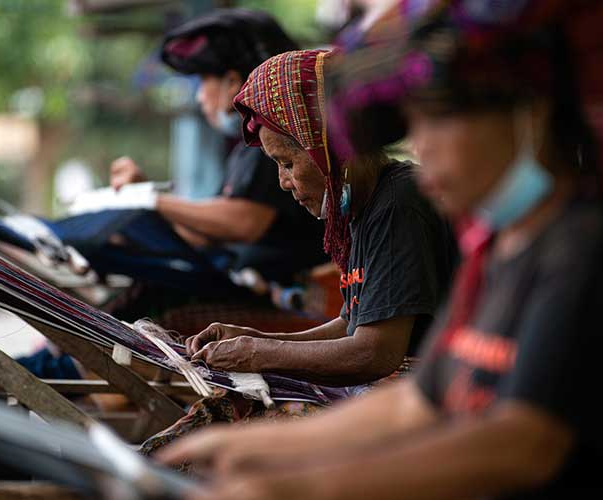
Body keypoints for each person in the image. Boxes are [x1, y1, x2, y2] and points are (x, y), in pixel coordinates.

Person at [157, 1, 603, 497]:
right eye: (415, 124)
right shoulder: (502, 248)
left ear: (530, 116)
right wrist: (256, 445)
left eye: (439, 120)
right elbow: (419, 402)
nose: (420, 146)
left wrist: (305, 483)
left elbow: (524, 443)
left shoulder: (594, 246)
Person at [139, 48, 456, 455]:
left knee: (241, 436)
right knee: (225, 410)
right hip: (396, 381)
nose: (284, 182)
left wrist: (261, 353)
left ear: (328, 149)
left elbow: (377, 351)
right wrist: (256, 338)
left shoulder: (397, 203)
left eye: (287, 162)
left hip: (425, 391)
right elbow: (351, 324)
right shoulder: (362, 206)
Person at [103, 9, 328, 321]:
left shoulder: (273, 144)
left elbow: (243, 222)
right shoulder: (245, 151)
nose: (200, 97)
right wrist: (145, 200)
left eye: (203, 80)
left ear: (233, 81)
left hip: (284, 303)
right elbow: (204, 234)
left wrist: (150, 200)